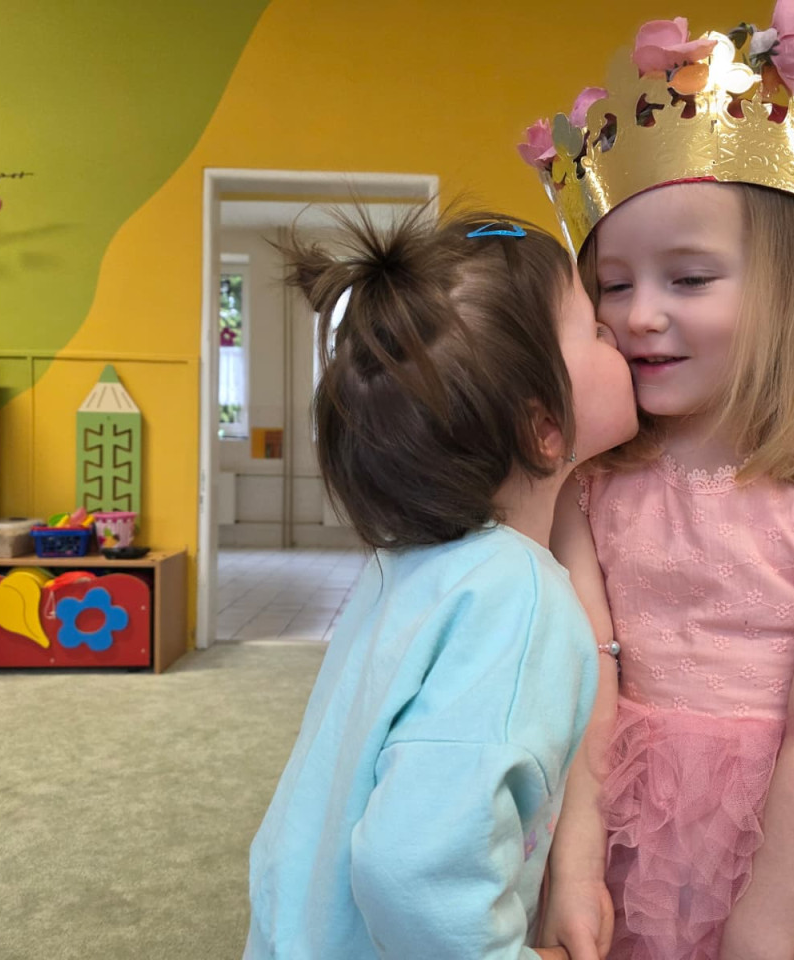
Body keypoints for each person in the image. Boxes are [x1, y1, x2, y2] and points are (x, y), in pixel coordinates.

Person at [517, 4, 794, 959]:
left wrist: (760, 937)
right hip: (623, 828)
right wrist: (575, 869)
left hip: (793, 856)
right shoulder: (589, 487)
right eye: (613, 285)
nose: (640, 316)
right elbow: (581, 686)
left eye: (688, 280)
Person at [243, 207, 639, 959]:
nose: (619, 336)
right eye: (593, 329)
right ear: (544, 428)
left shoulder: (413, 565)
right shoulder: (517, 598)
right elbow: (414, 870)